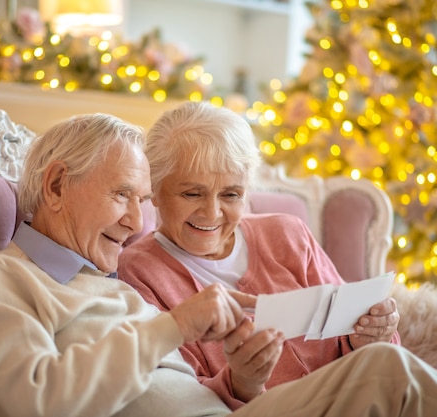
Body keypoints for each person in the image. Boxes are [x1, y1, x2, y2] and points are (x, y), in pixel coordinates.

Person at [0, 112, 437, 417]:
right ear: (58, 185)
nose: (138, 221)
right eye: (123, 197)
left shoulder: (103, 284)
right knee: (384, 374)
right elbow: (33, 402)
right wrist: (178, 325)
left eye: (142, 200)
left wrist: (240, 377)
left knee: (382, 368)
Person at [117, 100, 401, 408]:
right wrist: (241, 383)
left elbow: (357, 335)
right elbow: (175, 397)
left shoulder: (288, 234)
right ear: (154, 191)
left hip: (354, 399)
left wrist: (369, 335)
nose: (212, 212)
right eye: (192, 193)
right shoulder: (137, 272)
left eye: (230, 194)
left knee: (406, 379)